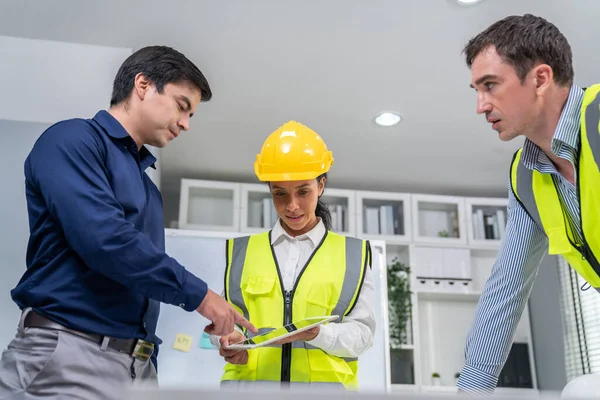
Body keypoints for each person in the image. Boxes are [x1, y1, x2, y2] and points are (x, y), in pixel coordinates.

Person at [0, 45, 256, 399]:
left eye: (191, 115)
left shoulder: (149, 192)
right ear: (143, 85)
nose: (185, 123)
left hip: (138, 367)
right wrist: (202, 296)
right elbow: (105, 241)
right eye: (183, 106)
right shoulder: (72, 141)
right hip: (69, 356)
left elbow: (139, 282)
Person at [457, 13, 600, 394]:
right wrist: (472, 389)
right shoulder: (526, 176)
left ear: (540, 78)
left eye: (490, 85)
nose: (480, 105)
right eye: (476, 89)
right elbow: (507, 286)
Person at [209, 121, 376, 390]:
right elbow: (226, 322)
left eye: (303, 191)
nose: (292, 206)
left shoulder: (353, 255)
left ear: (321, 186)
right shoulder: (242, 252)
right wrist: (227, 340)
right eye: (280, 194)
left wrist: (319, 333)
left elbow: (363, 335)